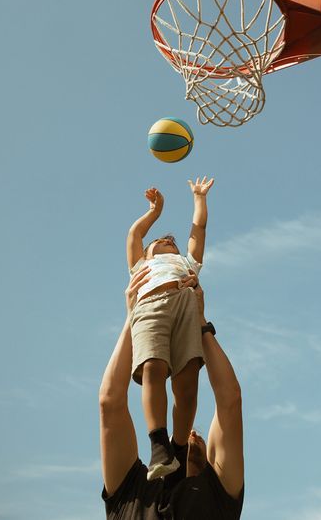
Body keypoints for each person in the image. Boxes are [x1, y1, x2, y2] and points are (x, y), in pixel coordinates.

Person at [99, 270, 244, 519]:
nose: (193, 434)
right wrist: (134, 317)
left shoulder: (217, 495)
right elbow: (108, 403)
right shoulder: (132, 494)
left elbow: (230, 400)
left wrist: (200, 321)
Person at [126, 178, 214, 479]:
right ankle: (159, 446)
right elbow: (135, 233)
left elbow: (198, 231)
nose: (168, 241)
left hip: (185, 303)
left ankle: (178, 448)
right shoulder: (141, 266)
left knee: (187, 382)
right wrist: (155, 211)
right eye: (161, 241)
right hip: (151, 305)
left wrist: (199, 198)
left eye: (172, 242)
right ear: (148, 253)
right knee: (152, 367)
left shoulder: (186, 264)